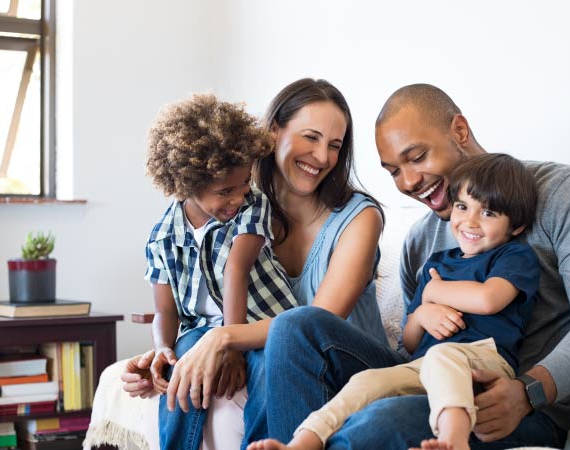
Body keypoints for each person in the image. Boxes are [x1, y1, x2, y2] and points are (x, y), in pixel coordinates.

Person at [261, 83, 570, 449]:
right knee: (296, 327)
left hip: (516, 405)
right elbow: (413, 345)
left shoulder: (562, 191)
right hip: (428, 379)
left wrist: (527, 392)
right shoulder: (421, 240)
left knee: (378, 422)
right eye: (393, 171)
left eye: (418, 157)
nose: (408, 182)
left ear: (459, 131)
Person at [121, 78, 387, 450]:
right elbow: (199, 299)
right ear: (274, 131)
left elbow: (310, 327)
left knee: (286, 340)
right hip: (273, 353)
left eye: (335, 146)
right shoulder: (236, 210)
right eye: (311, 137)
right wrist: (171, 354)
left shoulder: (360, 218)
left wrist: (223, 338)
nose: (323, 157)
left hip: (347, 365)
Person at [249, 153, 540, 450]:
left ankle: (454, 441)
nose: (470, 221)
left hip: (482, 361)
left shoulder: (513, 255)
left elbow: (489, 299)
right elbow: (411, 341)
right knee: (366, 383)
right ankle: (300, 443)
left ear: (515, 227)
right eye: (463, 207)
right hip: (424, 364)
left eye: (489, 214)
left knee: (444, 357)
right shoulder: (437, 264)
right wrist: (422, 314)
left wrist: (433, 293)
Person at [143, 94, 300, 449]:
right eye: (225, 191)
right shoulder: (162, 238)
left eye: (245, 182)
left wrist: (230, 346)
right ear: (186, 184)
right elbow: (165, 311)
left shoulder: (251, 205)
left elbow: (236, 270)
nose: (239, 196)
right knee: (182, 364)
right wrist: (161, 349)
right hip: (201, 331)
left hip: (261, 323)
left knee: (267, 367)